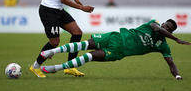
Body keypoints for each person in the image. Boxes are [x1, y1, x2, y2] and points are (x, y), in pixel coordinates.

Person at [40, 19, 190, 79]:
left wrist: (177, 76)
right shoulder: (154, 24)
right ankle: (53, 51)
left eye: (168, 28)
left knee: (90, 56)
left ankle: (55, 68)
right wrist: (176, 39)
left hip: (119, 51)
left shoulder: (163, 45)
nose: (165, 27)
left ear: (170, 32)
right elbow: (156, 28)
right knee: (84, 44)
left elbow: (171, 63)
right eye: (165, 25)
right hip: (116, 36)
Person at [30, 0, 94, 78]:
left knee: (77, 32)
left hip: (57, 10)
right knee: (54, 42)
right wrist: (82, 8)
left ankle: (70, 66)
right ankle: (36, 66)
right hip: (49, 10)